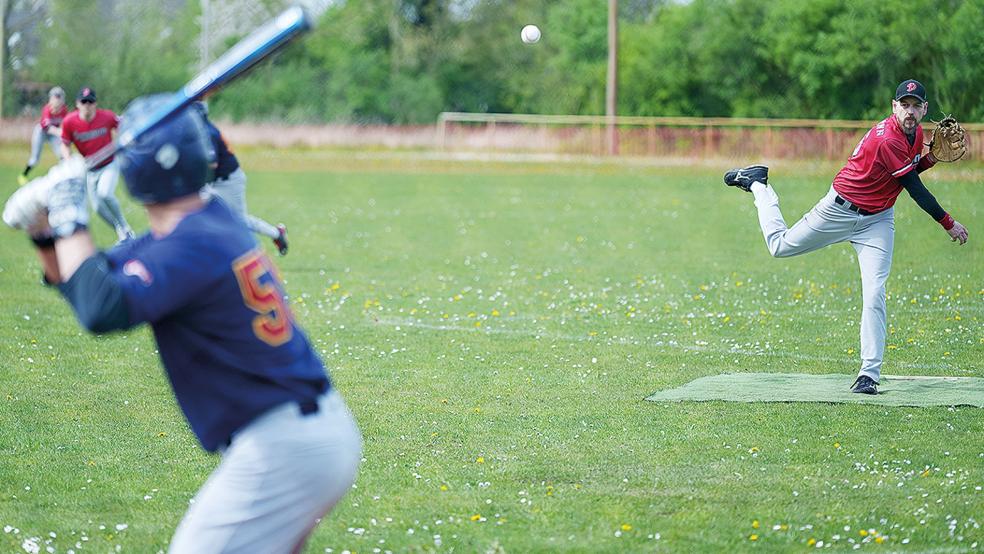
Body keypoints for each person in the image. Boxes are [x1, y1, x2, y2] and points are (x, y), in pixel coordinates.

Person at [13, 95, 362, 552]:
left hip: (283, 446)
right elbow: (88, 282)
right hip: (307, 434)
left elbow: (101, 309)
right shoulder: (203, 224)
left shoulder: (189, 245)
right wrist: (45, 231)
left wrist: (70, 214)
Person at [724, 79, 969, 395]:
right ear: (894, 107)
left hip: (877, 221)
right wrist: (949, 223)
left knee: (875, 292)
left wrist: (931, 158)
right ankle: (758, 184)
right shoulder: (889, 139)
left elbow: (907, 172)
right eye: (904, 104)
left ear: (924, 109)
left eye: (915, 105)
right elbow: (915, 189)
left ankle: (869, 375)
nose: (909, 111)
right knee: (779, 247)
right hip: (839, 210)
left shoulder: (917, 133)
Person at [194, 102, 289, 255]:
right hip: (214, 180)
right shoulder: (198, 130)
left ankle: (276, 234)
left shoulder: (206, 132)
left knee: (238, 222)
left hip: (228, 181)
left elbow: (211, 165)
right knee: (194, 213)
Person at [60, 86, 134, 241]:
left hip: (109, 164)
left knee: (105, 193)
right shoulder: (69, 122)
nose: (87, 105)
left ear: (95, 104)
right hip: (90, 169)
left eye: (90, 102)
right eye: (84, 101)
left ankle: (125, 227)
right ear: (78, 104)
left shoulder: (106, 117)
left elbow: (125, 125)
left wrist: (124, 142)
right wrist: (68, 160)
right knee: (98, 208)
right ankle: (122, 233)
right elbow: (65, 144)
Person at [19, 86, 68, 185]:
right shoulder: (47, 109)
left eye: (59, 97)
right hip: (42, 132)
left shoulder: (64, 110)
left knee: (62, 155)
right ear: (50, 99)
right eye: (55, 97)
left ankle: (65, 176)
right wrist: (61, 132)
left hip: (53, 134)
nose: (57, 100)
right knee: (35, 158)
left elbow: (67, 124)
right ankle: (23, 175)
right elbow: (47, 127)